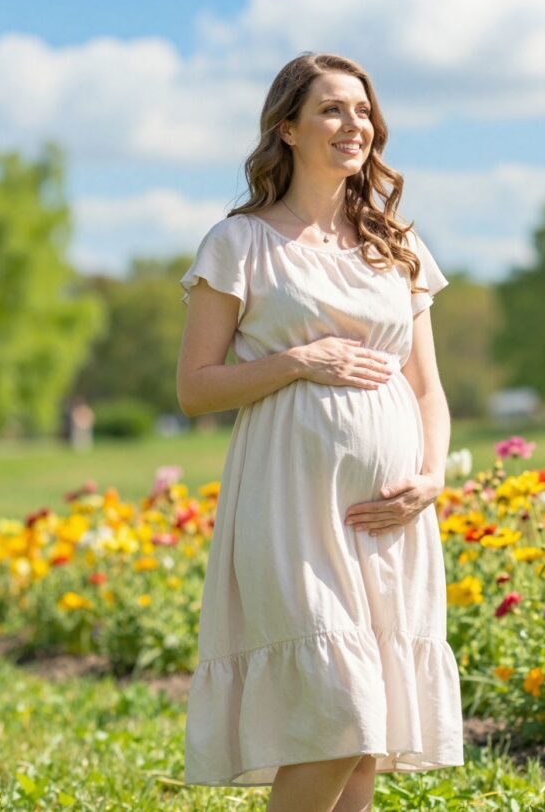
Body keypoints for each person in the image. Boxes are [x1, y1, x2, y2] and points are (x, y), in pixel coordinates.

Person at [176, 52, 463, 810]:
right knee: (340, 711)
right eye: (332, 109)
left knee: (367, 738)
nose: (353, 124)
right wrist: (299, 361)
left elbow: (427, 389)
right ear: (288, 128)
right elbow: (195, 387)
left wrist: (431, 479)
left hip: (388, 518)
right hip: (290, 510)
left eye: (363, 111)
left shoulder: (396, 245)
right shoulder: (238, 243)